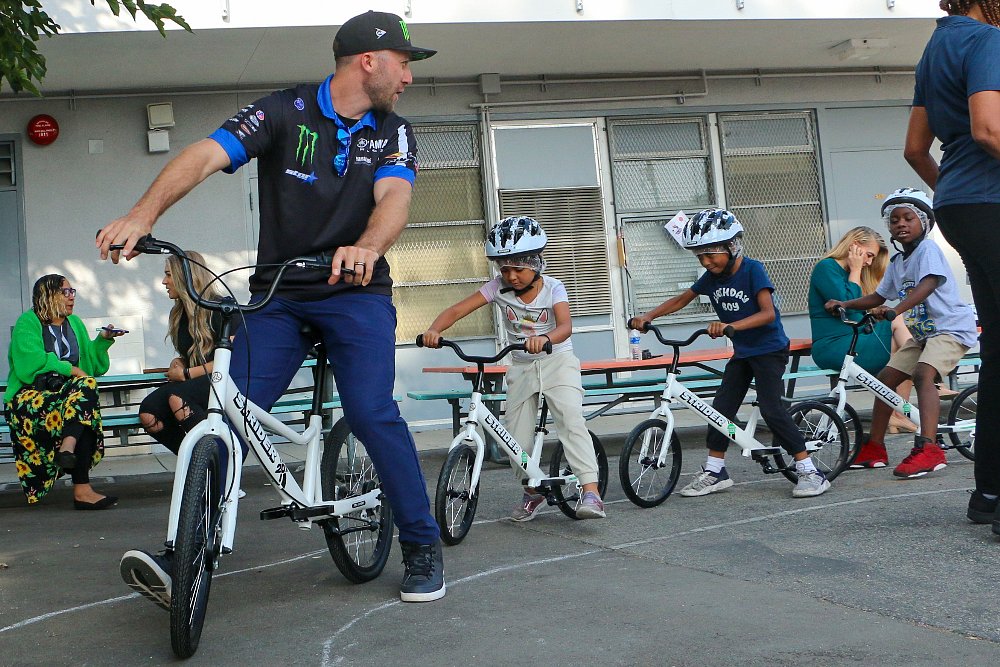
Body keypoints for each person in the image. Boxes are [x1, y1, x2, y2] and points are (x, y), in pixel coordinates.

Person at [97, 10, 445, 605]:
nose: (408, 78)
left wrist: (366, 247)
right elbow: (205, 155)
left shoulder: (394, 132)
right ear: (370, 61)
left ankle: (421, 543)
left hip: (356, 293)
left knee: (369, 410)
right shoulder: (282, 111)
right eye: (405, 64)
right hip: (281, 295)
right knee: (226, 412)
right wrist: (142, 215)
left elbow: (394, 199)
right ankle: (183, 553)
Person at [631, 208, 830, 499]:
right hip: (743, 352)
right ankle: (715, 470)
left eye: (711, 254)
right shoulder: (711, 278)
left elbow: (767, 314)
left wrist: (729, 326)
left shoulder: (753, 270)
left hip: (769, 350)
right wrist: (648, 316)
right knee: (719, 410)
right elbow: (683, 299)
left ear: (732, 246)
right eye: (700, 256)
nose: (706, 262)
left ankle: (810, 471)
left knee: (772, 409)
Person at [422, 216, 606, 521]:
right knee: (513, 436)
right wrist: (434, 330)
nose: (511, 276)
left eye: (517, 269)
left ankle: (591, 492)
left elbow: (566, 326)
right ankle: (532, 491)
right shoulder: (497, 287)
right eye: (504, 269)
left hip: (557, 361)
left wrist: (546, 338)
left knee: (570, 419)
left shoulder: (553, 288)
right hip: (521, 365)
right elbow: (457, 309)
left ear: (535, 265)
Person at [902, 0, 1000, 525]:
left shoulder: (936, 47)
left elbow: (916, 149)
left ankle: (987, 495)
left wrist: (953, 193)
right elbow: (988, 129)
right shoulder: (987, 40)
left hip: (960, 204)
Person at [824, 188, 978, 477]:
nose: (901, 224)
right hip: (924, 335)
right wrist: (845, 303)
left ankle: (928, 448)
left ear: (924, 222)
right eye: (894, 220)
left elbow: (928, 285)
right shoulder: (897, 263)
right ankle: (875, 447)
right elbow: (878, 297)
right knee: (885, 380)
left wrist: (898, 310)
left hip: (951, 329)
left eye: (909, 218)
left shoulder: (928, 251)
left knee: (923, 374)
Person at [4, 274, 124, 509]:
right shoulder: (27, 322)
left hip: (65, 398)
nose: (71, 297)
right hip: (29, 399)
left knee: (83, 403)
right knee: (83, 407)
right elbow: (30, 364)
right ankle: (81, 486)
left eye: (72, 292)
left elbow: (92, 368)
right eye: (65, 292)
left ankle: (70, 454)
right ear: (48, 296)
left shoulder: (75, 323)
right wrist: (69, 369)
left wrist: (102, 341)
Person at [808, 227, 919, 434]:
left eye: (871, 258)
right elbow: (848, 308)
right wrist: (856, 269)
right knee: (900, 330)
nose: (868, 262)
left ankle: (898, 414)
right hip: (834, 346)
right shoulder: (827, 268)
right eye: (868, 255)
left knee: (902, 353)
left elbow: (859, 316)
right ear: (854, 246)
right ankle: (920, 378)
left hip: (854, 341)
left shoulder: (851, 273)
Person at [138, 252, 224, 454]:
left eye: (168, 275)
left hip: (223, 379)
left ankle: (214, 459)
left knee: (178, 397)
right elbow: (190, 353)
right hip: (195, 380)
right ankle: (196, 462)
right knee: (149, 413)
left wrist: (186, 374)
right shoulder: (179, 313)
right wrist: (179, 360)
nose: (163, 281)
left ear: (185, 276)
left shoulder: (219, 307)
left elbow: (232, 359)